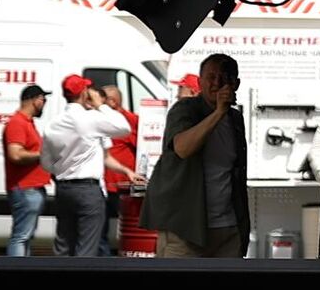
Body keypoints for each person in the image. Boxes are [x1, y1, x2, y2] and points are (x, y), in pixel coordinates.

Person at [141, 51, 249, 259]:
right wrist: (218, 113)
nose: (217, 83)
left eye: (225, 77)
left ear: (236, 84)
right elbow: (183, 149)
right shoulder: (185, 109)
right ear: (199, 82)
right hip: (186, 228)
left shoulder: (235, 119)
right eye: (211, 77)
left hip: (227, 227)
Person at [40, 74, 135, 258]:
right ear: (84, 93)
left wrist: (63, 169)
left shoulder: (53, 124)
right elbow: (124, 127)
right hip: (88, 189)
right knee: (87, 247)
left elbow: (46, 163)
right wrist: (101, 105)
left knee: (63, 245)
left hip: (63, 188)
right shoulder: (89, 119)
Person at [1, 83, 50, 256]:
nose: (44, 104)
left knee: (25, 236)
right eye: (43, 100)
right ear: (35, 100)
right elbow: (15, 155)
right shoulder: (17, 123)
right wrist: (43, 154)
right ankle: (16, 267)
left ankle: (23, 266)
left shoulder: (27, 123)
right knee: (21, 236)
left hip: (31, 188)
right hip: (25, 188)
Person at [99, 82, 140, 254]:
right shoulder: (99, 120)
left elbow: (141, 147)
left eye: (103, 99)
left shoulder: (129, 121)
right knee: (100, 230)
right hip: (102, 184)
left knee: (126, 229)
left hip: (120, 185)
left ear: (113, 102)